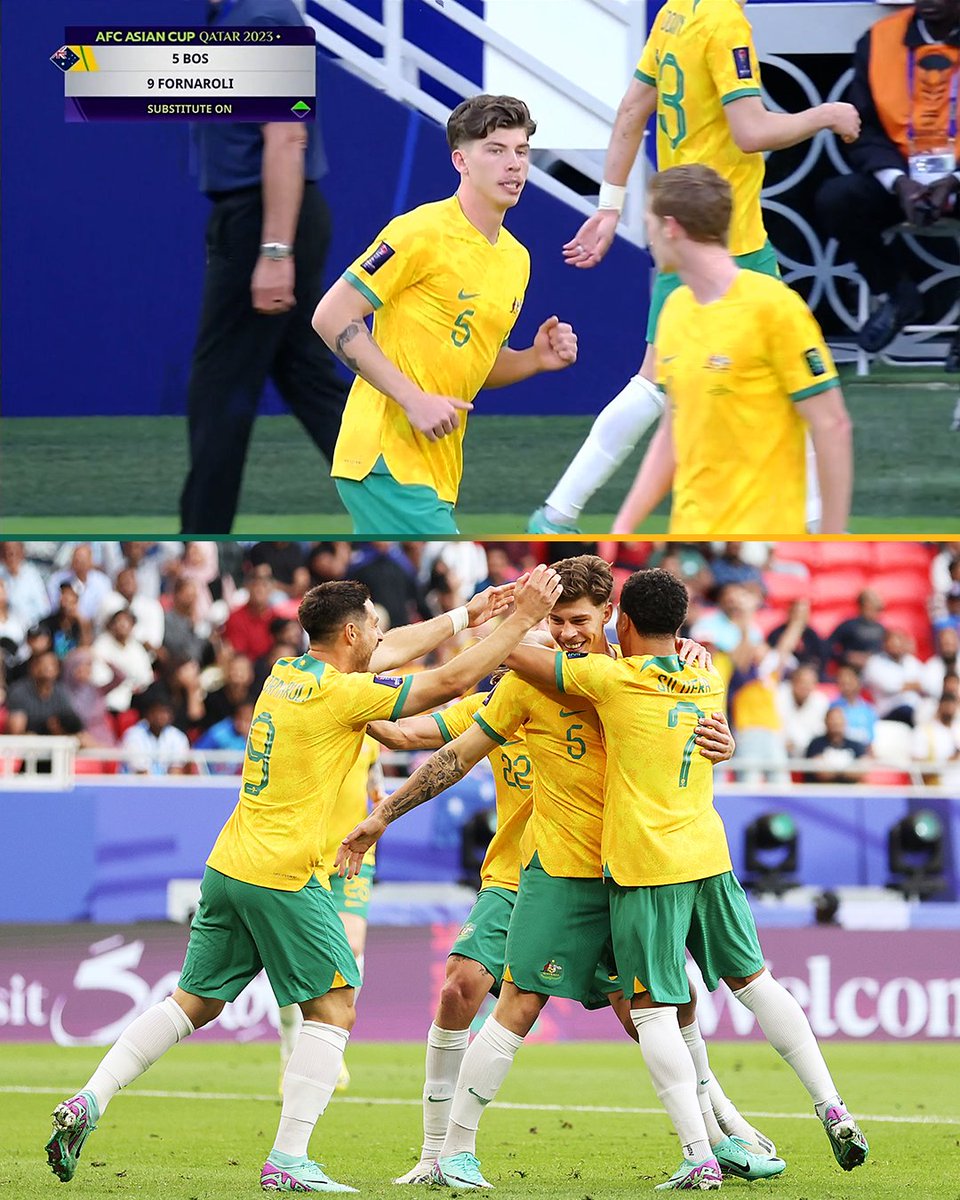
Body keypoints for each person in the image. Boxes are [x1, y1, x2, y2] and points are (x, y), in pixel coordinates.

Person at [44, 568, 562, 1193]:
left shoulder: (287, 675)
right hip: (285, 874)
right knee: (337, 1004)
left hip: (229, 864)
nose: (380, 629)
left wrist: (466, 617)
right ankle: (288, 1159)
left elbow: (390, 648)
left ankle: (88, 1101)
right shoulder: (344, 696)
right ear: (349, 632)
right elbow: (449, 682)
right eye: (372, 621)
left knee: (195, 1000)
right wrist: (522, 617)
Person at [341, 558, 781, 1190]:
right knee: (475, 989)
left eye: (580, 620)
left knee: (656, 1013)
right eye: (557, 620)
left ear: (612, 617)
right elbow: (441, 744)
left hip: (633, 874)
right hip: (537, 870)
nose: (569, 632)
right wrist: (369, 766)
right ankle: (442, 1152)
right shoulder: (524, 680)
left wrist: (724, 736)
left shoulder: (656, 674)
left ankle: (721, 1133)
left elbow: (698, 736)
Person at [489, 568, 869, 1188]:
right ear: (681, 627)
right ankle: (833, 1108)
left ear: (624, 623)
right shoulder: (706, 674)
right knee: (758, 983)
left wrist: (499, 614)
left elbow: (510, 657)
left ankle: (699, 1157)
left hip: (646, 866)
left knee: (653, 1009)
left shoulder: (610, 679)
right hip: (710, 856)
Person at [527, 0, 859, 534]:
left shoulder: (675, 11)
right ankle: (822, 526)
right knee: (794, 389)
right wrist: (828, 114)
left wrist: (610, 207)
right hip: (730, 239)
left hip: (677, 232)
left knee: (656, 383)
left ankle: (557, 513)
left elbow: (634, 108)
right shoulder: (726, 21)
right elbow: (750, 131)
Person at [313, 94, 578, 536]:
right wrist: (414, 399)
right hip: (385, 458)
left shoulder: (517, 258)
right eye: (495, 150)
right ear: (461, 161)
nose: (513, 164)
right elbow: (331, 315)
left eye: (521, 151)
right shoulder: (419, 231)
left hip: (437, 469)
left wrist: (533, 358)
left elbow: (475, 360)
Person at [178, 0, 347, 534]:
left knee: (220, 387)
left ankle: (201, 534)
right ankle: (407, 497)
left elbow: (286, 135)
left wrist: (275, 250)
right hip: (260, 216)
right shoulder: (236, 19)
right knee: (307, 379)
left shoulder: (263, 17)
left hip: (264, 219)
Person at [614, 166, 854, 536]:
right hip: (689, 530)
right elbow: (673, 430)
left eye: (649, 222)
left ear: (671, 227)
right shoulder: (675, 310)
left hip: (765, 528)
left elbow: (831, 424)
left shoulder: (775, 308)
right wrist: (625, 525)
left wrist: (835, 536)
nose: (649, 237)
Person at [815, 0, 960, 360]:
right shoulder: (880, 40)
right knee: (838, 199)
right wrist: (899, 182)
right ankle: (897, 295)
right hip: (904, 179)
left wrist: (953, 180)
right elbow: (863, 130)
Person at [277, 734, 385, 1094]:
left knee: (351, 947)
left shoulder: (372, 732)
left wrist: (380, 797)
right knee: (300, 957)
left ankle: (333, 1045)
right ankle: (292, 1044)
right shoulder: (318, 724)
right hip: (308, 856)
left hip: (354, 854)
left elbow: (373, 775)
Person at [120, 686, 191, 776]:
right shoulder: (133, 735)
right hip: (136, 788)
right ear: (147, 713)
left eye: (165, 712)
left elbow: (176, 772)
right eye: (158, 711)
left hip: (167, 788)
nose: (161, 716)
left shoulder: (178, 737)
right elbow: (141, 775)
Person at [804, 707, 867, 783]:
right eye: (832, 719)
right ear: (825, 721)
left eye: (839, 719)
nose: (836, 723)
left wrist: (833, 770)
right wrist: (847, 770)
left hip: (850, 791)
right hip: (822, 791)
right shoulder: (816, 744)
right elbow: (820, 773)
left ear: (845, 722)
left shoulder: (855, 745)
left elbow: (861, 770)